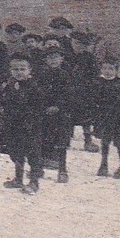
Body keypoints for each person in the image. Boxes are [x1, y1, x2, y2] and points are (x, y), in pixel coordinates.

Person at [0, 54, 44, 194]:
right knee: (15, 151)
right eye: (15, 69)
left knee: (32, 154)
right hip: (13, 125)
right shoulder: (8, 85)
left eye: (22, 69)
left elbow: (37, 106)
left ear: (29, 70)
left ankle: (34, 182)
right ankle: (18, 179)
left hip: (30, 126)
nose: (19, 72)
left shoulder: (34, 87)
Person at [36, 44, 74, 183]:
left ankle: (62, 170)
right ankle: (38, 168)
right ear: (46, 60)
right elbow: (38, 92)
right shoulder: (41, 75)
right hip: (44, 112)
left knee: (61, 142)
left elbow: (69, 94)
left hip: (61, 114)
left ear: (62, 59)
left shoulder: (66, 75)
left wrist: (58, 106)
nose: (53, 60)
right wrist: (43, 107)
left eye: (56, 57)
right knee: (42, 140)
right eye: (50, 58)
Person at [92, 57, 120, 179]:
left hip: (117, 119)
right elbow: (93, 99)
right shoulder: (97, 82)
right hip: (104, 118)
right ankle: (103, 165)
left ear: (116, 70)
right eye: (104, 68)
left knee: (119, 143)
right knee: (105, 142)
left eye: (111, 69)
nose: (107, 71)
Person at [69, 31, 102, 151]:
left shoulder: (89, 58)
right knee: (68, 116)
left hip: (84, 92)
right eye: (74, 43)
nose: (76, 46)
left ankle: (87, 141)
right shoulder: (68, 56)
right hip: (70, 91)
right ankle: (66, 140)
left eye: (79, 44)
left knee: (86, 118)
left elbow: (95, 75)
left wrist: (90, 88)